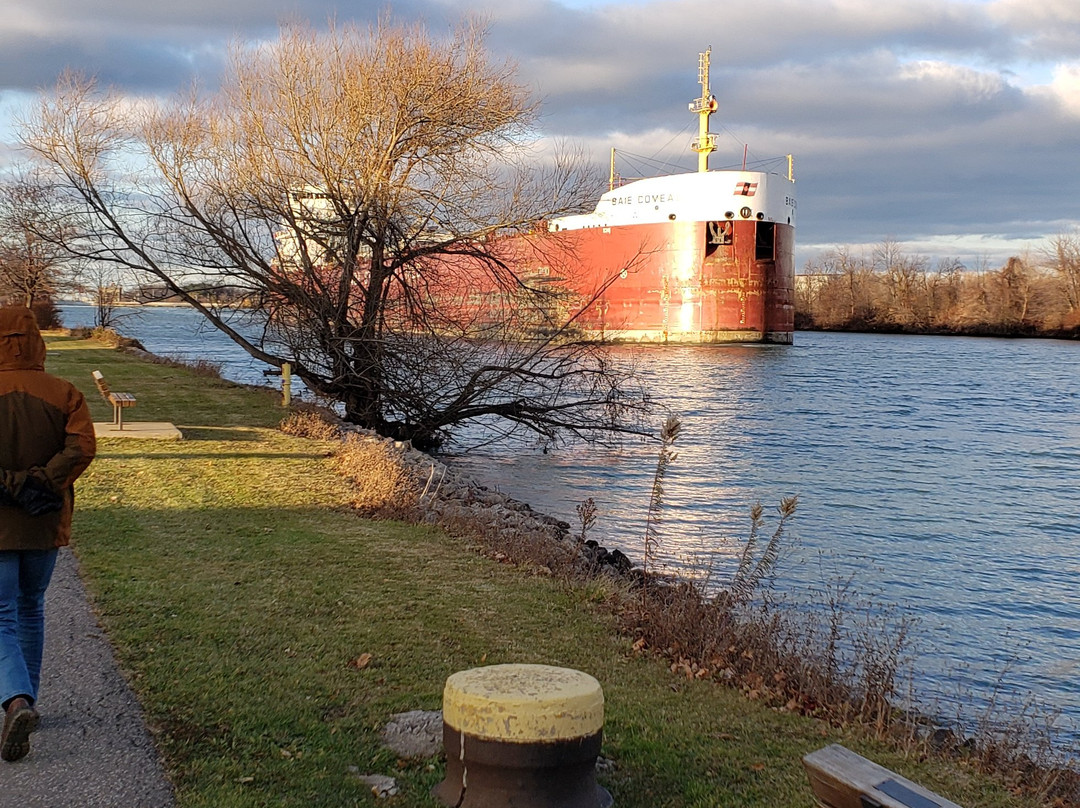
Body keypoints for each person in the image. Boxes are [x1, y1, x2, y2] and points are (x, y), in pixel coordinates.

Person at [0, 306, 96, 762]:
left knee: (0, 616)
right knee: (31, 608)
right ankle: (27, 702)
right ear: (37, 341)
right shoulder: (64, 393)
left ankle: (15, 699)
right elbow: (81, 447)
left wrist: (10, 483)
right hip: (43, 519)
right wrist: (41, 481)